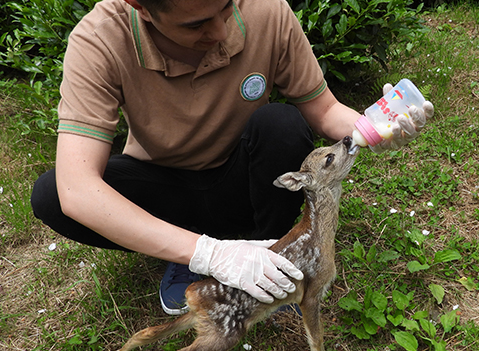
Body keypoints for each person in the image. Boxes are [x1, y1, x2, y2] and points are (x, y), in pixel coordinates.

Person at [30, 0, 434, 315]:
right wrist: (210, 254)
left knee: (282, 124)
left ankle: (267, 252)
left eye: (226, 7)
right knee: (52, 194)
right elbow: (77, 188)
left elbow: (325, 111)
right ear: (141, 7)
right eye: (195, 23)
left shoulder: (267, 11)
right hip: (165, 187)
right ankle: (191, 252)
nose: (220, 30)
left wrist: (374, 127)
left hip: (240, 180)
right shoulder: (100, 39)